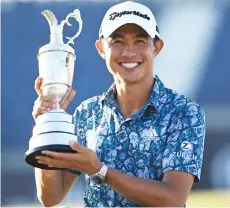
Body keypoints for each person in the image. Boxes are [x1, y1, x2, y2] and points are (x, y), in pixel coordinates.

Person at [33, 1, 206, 207]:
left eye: (140, 41)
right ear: (101, 49)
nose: (129, 52)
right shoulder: (88, 113)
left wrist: (100, 171)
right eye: (117, 42)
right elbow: (50, 197)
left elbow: (173, 199)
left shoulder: (184, 112)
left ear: (157, 47)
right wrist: (46, 127)